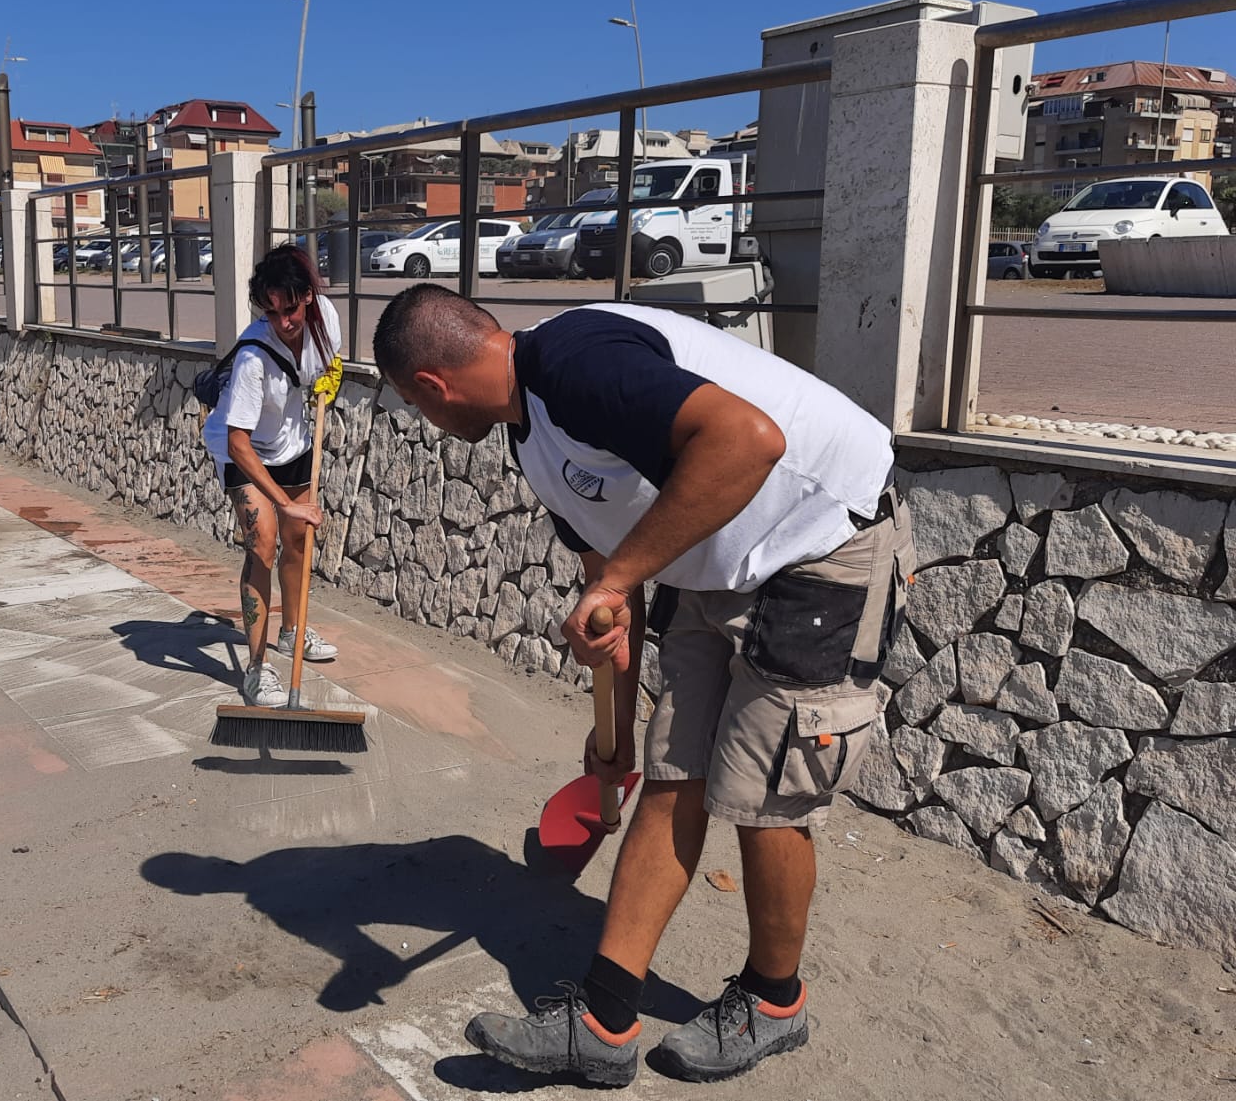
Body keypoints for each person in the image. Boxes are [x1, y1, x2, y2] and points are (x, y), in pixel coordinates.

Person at [373, 286, 911, 1088]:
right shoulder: (530, 441)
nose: (427, 422)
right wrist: (611, 745)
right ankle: (602, 1021)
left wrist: (620, 575)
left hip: (821, 539)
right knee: (672, 770)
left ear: (430, 388)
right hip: (719, 559)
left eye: (417, 409)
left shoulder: (574, 361)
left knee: (763, 790)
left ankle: (774, 1001)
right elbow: (608, 598)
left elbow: (747, 439)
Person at [200, 245, 344, 707]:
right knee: (262, 542)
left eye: (291, 308)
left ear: (308, 296)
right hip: (242, 448)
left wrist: (331, 374)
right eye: (273, 311)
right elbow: (240, 442)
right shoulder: (252, 358)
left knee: (298, 540)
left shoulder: (325, 318)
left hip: (291, 442)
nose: (284, 321)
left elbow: (327, 361)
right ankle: (258, 669)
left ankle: (292, 632)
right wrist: (281, 501)